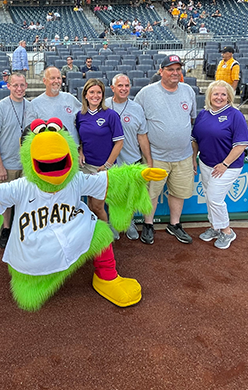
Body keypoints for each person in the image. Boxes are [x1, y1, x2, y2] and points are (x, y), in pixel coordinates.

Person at [134, 55, 197, 246]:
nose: (175, 73)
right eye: (170, 69)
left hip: (183, 155)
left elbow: (191, 120)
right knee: (151, 193)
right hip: (156, 156)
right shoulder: (146, 93)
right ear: (160, 71)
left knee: (178, 192)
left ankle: (174, 224)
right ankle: (148, 224)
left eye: (178, 69)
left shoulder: (188, 91)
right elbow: (137, 120)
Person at [191, 80, 248, 250]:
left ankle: (227, 231)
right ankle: (215, 227)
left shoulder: (235, 115)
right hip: (206, 163)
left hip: (227, 166)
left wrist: (224, 164)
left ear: (229, 97)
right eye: (216, 94)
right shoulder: (203, 114)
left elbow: (241, 145)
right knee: (210, 198)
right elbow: (195, 139)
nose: (219, 97)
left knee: (215, 199)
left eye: (223, 94)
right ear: (209, 96)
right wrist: (194, 158)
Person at [0, 72, 34, 248]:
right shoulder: (0, 108)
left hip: (26, 165)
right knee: (5, 199)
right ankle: (6, 230)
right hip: (6, 164)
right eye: (15, 85)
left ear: (26, 86)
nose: (19, 89)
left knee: (26, 199)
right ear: (9, 86)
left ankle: (21, 228)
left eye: (22, 85)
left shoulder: (31, 107)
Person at [76, 79, 124, 239]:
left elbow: (119, 142)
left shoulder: (111, 115)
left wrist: (107, 164)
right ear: (85, 95)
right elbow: (81, 139)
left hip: (102, 168)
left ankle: (106, 236)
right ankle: (94, 233)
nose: (95, 95)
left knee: (97, 206)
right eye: (91, 92)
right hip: (85, 167)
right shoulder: (80, 115)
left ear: (103, 95)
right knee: (89, 204)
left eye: (98, 92)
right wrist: (80, 150)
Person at [106, 74, 153, 239]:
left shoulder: (136, 108)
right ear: (113, 88)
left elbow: (142, 137)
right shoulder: (104, 105)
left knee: (130, 196)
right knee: (113, 196)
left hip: (132, 160)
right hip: (110, 161)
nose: (124, 89)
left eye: (126, 85)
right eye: (120, 86)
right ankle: (113, 224)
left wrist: (148, 160)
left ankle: (129, 223)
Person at [31, 66, 81, 145]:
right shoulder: (35, 104)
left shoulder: (70, 98)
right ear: (44, 81)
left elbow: (84, 121)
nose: (56, 81)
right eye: (52, 78)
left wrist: (81, 147)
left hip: (73, 152)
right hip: (51, 152)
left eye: (59, 78)